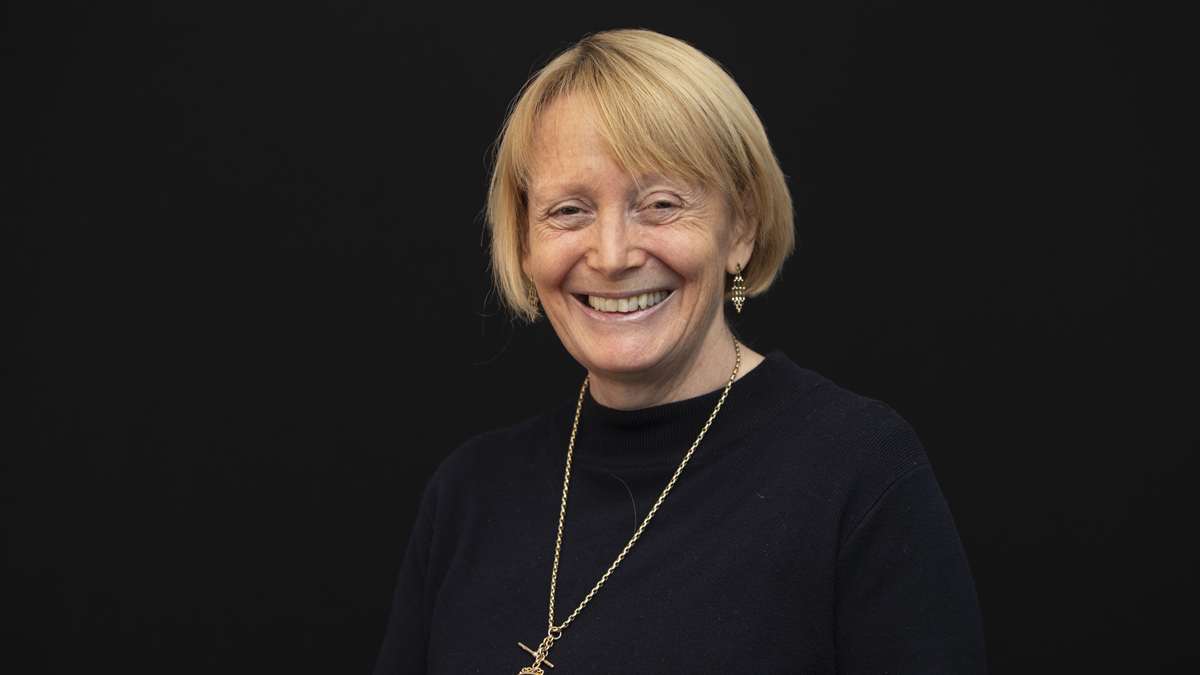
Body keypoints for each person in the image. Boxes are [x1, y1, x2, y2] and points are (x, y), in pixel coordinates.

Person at [374, 29, 985, 673]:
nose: (612, 255)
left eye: (660, 204)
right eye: (569, 211)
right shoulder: (467, 495)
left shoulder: (859, 472)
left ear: (740, 229)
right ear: (526, 243)